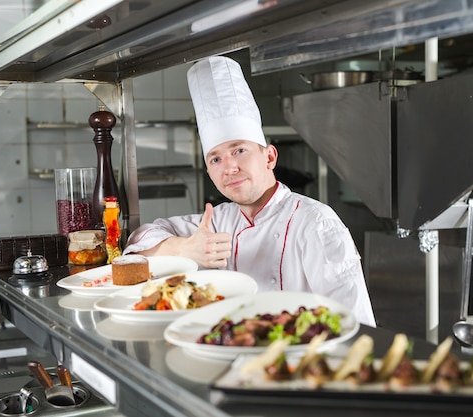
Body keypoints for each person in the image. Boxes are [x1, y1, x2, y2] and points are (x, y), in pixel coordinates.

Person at [123, 56, 376, 327]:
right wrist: (184, 248)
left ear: (269, 157)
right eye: (215, 159)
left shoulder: (316, 223)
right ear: (209, 172)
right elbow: (136, 246)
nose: (229, 167)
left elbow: (353, 325)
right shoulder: (218, 221)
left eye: (239, 150)